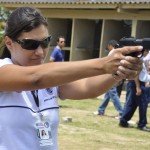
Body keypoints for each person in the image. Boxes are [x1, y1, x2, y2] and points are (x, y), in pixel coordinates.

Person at [0, 7, 142, 150]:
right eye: (30, 44)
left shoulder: (50, 78)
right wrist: (104, 63)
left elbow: (87, 87)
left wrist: (118, 70)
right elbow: (35, 78)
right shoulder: (3, 70)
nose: (39, 52)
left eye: (44, 42)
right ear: (9, 43)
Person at [119, 50, 150, 132]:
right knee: (143, 105)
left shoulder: (138, 60)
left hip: (135, 83)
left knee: (132, 104)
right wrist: (138, 87)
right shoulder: (139, 61)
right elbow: (136, 75)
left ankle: (123, 121)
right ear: (145, 52)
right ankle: (142, 124)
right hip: (138, 83)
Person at [94, 40, 123, 118]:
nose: (107, 47)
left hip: (111, 76)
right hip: (115, 76)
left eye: (108, 45)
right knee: (108, 94)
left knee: (113, 94)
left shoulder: (112, 53)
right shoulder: (117, 52)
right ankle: (101, 110)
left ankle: (121, 113)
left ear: (111, 45)